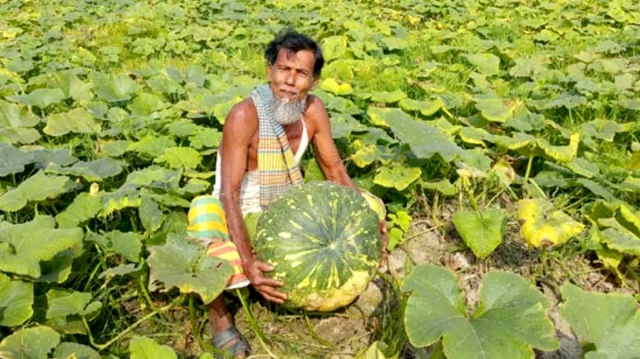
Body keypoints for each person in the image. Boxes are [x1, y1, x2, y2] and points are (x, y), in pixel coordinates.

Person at [190, 29, 388, 359]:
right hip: (243, 204)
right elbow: (228, 194)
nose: (289, 81)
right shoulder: (244, 116)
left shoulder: (313, 111)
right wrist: (249, 259)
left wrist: (368, 220)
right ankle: (220, 319)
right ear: (270, 69)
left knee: (370, 205)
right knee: (204, 217)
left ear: (314, 81)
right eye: (284, 69)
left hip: (288, 198)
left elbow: (335, 171)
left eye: (300, 73)